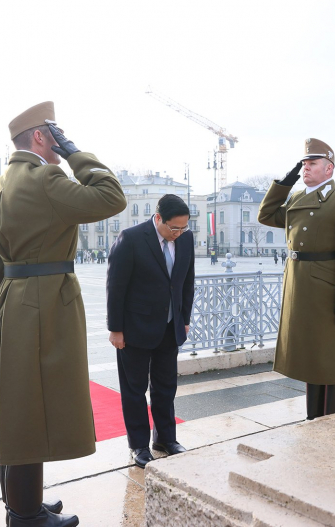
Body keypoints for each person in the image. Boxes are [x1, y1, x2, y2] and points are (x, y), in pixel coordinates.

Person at [0, 101, 126, 527]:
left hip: (12, 303)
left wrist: (2, 310)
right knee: (30, 413)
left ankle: (23, 502)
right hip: (45, 304)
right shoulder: (46, 177)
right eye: (55, 135)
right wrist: (77, 152)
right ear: (41, 137)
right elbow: (111, 197)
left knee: (22, 407)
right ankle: (25, 515)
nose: (59, 145)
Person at [258, 138, 335, 421]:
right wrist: (285, 181)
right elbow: (266, 214)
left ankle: (330, 422)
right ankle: (312, 420)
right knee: (311, 359)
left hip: (328, 291)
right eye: (303, 164)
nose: (306, 167)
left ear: (328, 169)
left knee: (331, 359)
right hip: (299, 288)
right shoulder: (295, 198)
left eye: (312, 163)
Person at [107, 194, 195, 469]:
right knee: (134, 390)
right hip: (135, 328)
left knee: (166, 387)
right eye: (174, 228)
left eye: (183, 229)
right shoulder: (131, 238)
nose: (178, 234)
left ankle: (165, 439)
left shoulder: (185, 239)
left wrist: (184, 318)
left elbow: (186, 281)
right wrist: (116, 329)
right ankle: (139, 446)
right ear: (158, 219)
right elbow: (116, 286)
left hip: (170, 326)